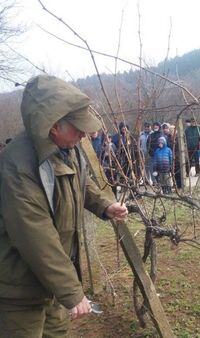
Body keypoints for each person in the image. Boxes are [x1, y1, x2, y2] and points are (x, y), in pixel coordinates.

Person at [0, 75, 128, 337]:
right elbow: (35, 234)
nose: (84, 134)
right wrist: (71, 289)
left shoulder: (68, 148)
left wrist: (105, 206)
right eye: (77, 127)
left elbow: (81, 182)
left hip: (52, 283)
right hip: (20, 290)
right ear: (53, 125)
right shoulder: (17, 165)